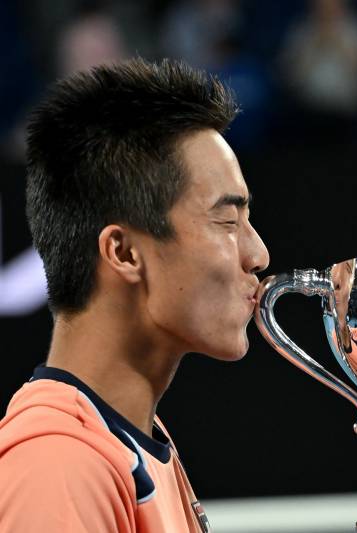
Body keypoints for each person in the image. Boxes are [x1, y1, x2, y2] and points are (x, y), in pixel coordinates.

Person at [0, 58, 269, 532]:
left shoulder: (132, 438)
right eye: (227, 220)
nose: (258, 254)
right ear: (123, 252)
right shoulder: (59, 464)